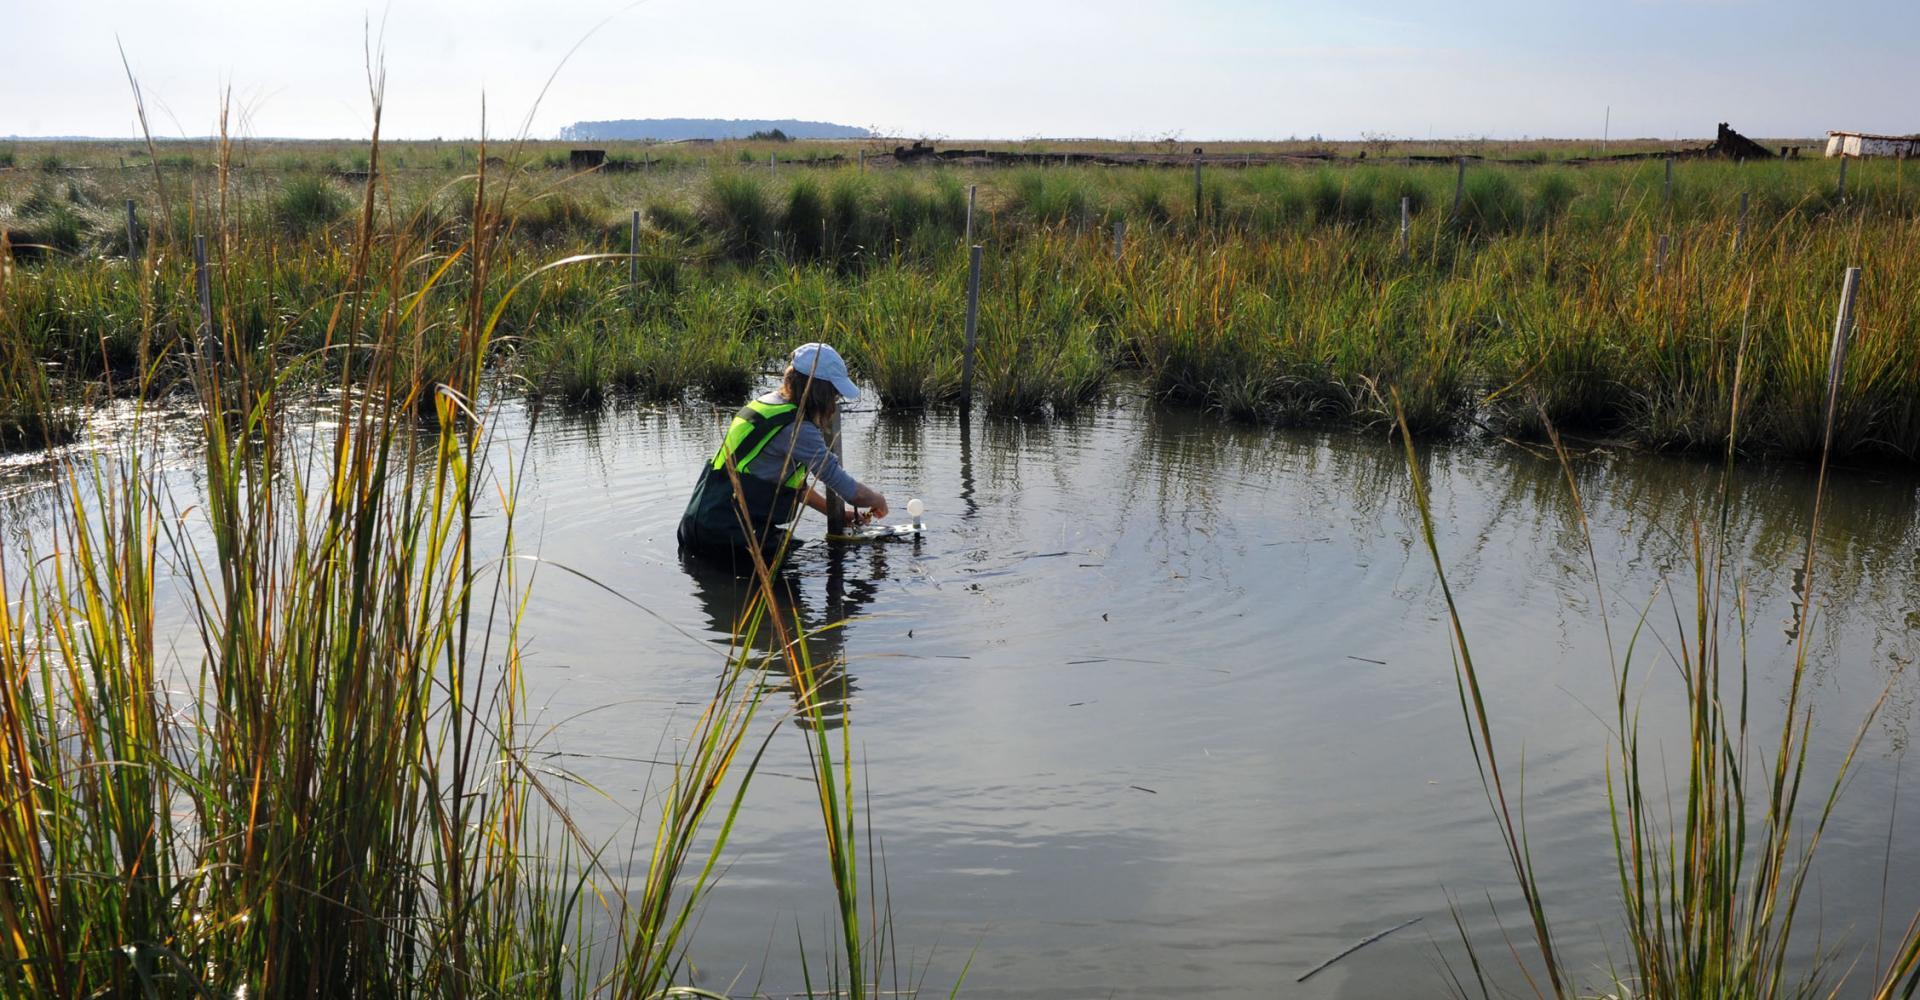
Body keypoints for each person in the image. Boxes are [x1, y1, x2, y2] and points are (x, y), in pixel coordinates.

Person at [677, 343, 889, 568]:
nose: (834, 404)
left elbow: (795, 487)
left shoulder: (765, 404)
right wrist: (878, 499)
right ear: (821, 393)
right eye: (835, 395)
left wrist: (839, 515)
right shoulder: (797, 428)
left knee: (794, 549)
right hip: (730, 537)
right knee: (816, 566)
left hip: (698, 527)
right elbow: (848, 489)